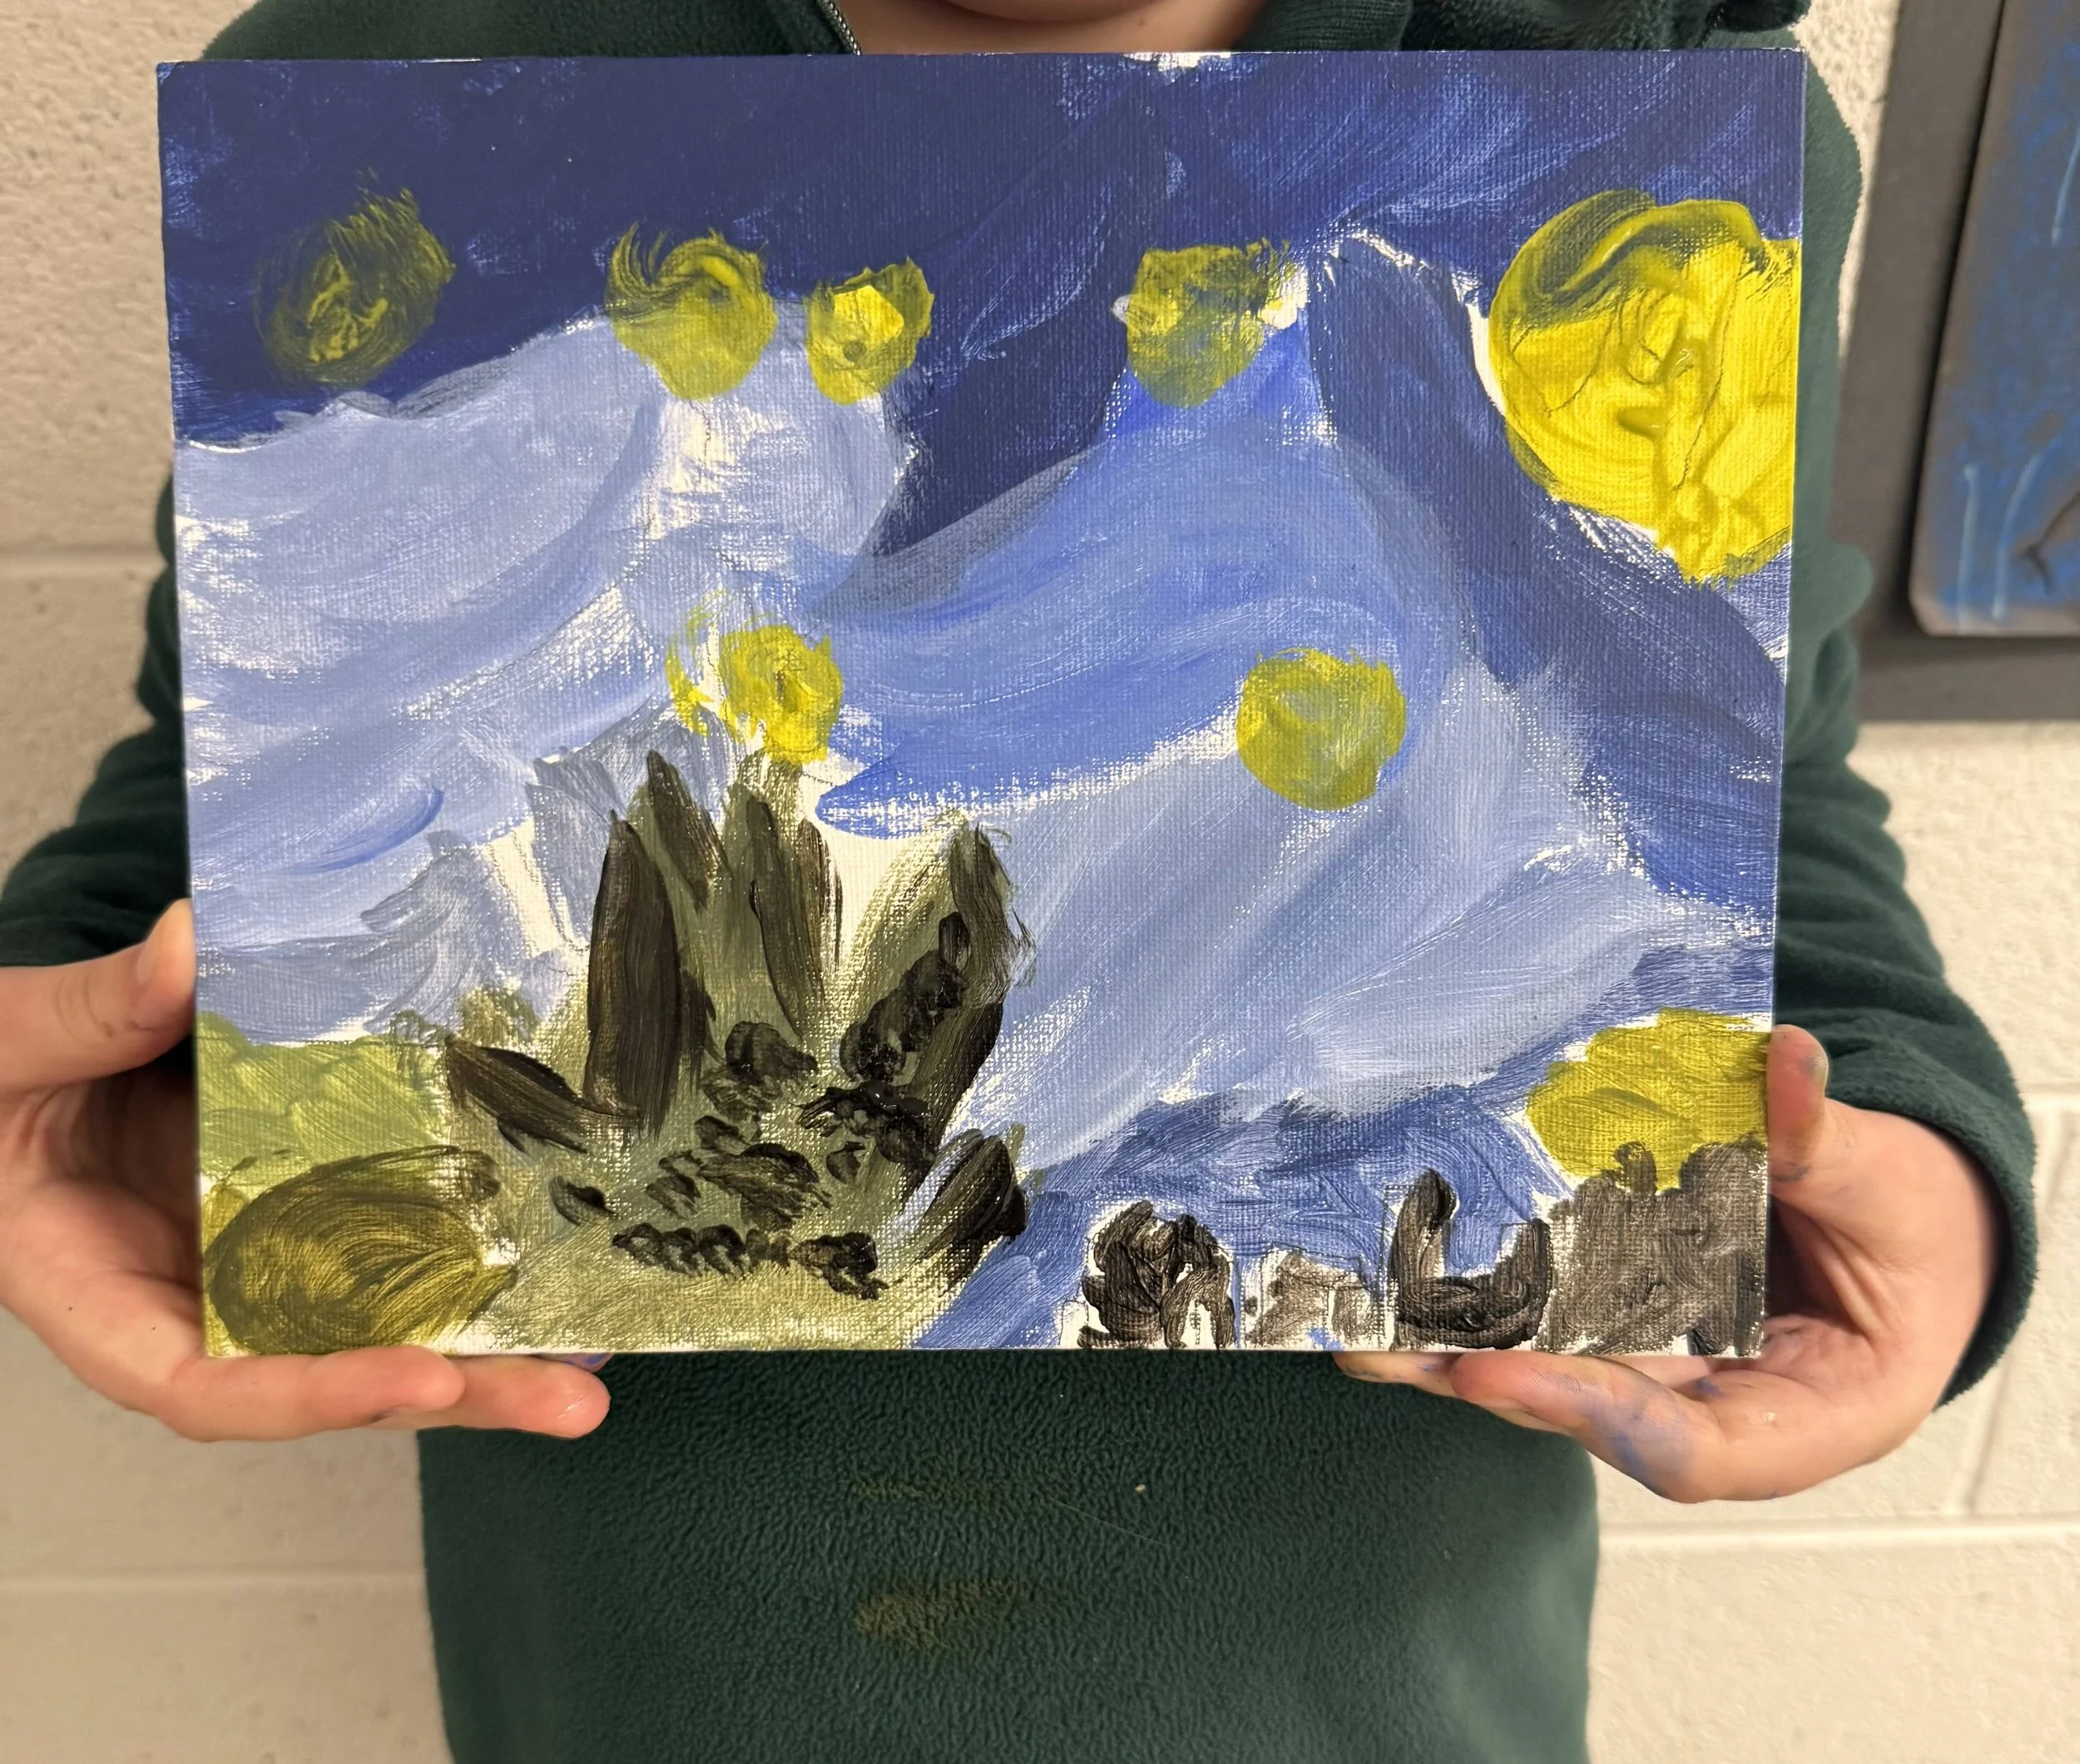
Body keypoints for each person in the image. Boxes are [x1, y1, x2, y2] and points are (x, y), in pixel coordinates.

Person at [0, 0, 2037, 1758]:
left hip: (1374, 1691)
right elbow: (216, 785)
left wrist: (1908, 1143)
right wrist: (98, 1051)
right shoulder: (391, 84)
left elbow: (1748, 788)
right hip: (632, 1688)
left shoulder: (1622, 97)